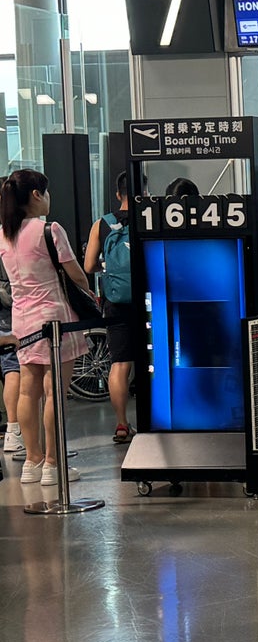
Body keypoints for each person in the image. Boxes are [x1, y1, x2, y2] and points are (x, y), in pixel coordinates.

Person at [0, 170, 93, 485]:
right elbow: (75, 273)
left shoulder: (3, 234)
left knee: (28, 390)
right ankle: (54, 464)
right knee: (55, 393)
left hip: (22, 320)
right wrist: (91, 292)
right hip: (54, 319)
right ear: (36, 195)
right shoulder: (49, 230)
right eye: (47, 193)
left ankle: (32, 461)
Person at [84, 171, 137, 444]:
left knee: (119, 364)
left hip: (115, 302)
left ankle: (121, 424)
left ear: (118, 194)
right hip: (149, 298)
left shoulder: (101, 224)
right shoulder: (149, 218)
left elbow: (89, 266)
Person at [0, 260, 22, 455]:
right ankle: (15, 430)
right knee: (14, 370)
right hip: (14, 313)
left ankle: (13, 430)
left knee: (10, 370)